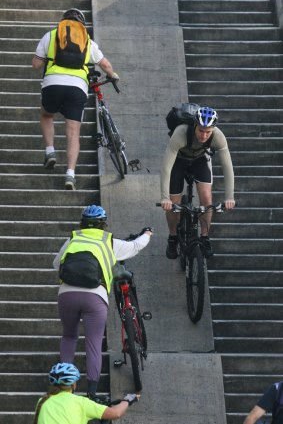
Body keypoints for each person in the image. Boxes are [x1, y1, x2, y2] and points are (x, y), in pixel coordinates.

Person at [52, 204, 153, 401]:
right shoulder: (108, 241)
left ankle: (63, 388)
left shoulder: (73, 238)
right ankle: (91, 393)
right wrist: (147, 234)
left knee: (69, 336)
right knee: (94, 343)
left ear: (82, 223)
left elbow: (56, 263)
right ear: (103, 224)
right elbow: (134, 247)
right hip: (95, 296)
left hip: (67, 294)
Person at [32, 8, 119, 190]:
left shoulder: (51, 35)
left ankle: (50, 152)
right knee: (73, 132)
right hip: (77, 87)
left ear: (63, 21)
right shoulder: (87, 40)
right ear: (82, 24)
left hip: (52, 83)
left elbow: (36, 64)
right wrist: (114, 75)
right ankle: (70, 175)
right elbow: (105, 64)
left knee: (47, 115)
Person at [160, 106, 235, 259]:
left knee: (207, 198)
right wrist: (164, 197)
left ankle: (205, 237)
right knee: (173, 203)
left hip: (200, 159)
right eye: (201, 130)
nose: (204, 135)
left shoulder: (218, 136)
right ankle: (173, 237)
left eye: (208, 132)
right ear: (195, 125)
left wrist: (230, 196)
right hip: (178, 160)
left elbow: (228, 168)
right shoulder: (181, 132)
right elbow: (166, 168)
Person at [34, 362, 139, 424]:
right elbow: (116, 413)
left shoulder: (42, 401)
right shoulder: (81, 402)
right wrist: (127, 400)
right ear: (73, 384)